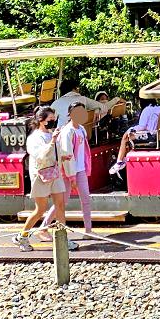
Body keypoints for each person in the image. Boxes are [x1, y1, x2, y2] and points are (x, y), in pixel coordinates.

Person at [16, 107, 69, 249]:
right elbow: (40, 156)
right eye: (50, 120)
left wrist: (62, 156)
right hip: (41, 175)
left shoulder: (52, 134)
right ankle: (23, 236)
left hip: (54, 172)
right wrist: (52, 142)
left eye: (54, 119)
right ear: (41, 121)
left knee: (60, 204)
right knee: (40, 209)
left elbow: (53, 153)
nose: (53, 122)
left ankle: (63, 239)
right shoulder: (34, 138)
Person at [59, 102, 94, 238]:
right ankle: (45, 226)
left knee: (85, 199)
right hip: (68, 172)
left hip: (80, 170)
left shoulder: (82, 129)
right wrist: (71, 176)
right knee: (62, 202)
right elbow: (66, 154)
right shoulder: (67, 131)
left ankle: (88, 231)